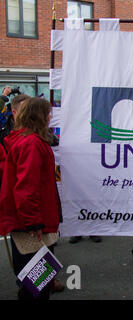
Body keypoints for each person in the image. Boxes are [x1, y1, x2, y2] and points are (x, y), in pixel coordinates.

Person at [0, 97, 61, 300]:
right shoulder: (32, 144)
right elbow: (27, 186)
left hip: (33, 219)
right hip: (34, 223)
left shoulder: (27, 140)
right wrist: (33, 222)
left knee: (34, 281)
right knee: (37, 284)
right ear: (38, 116)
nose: (50, 116)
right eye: (47, 112)